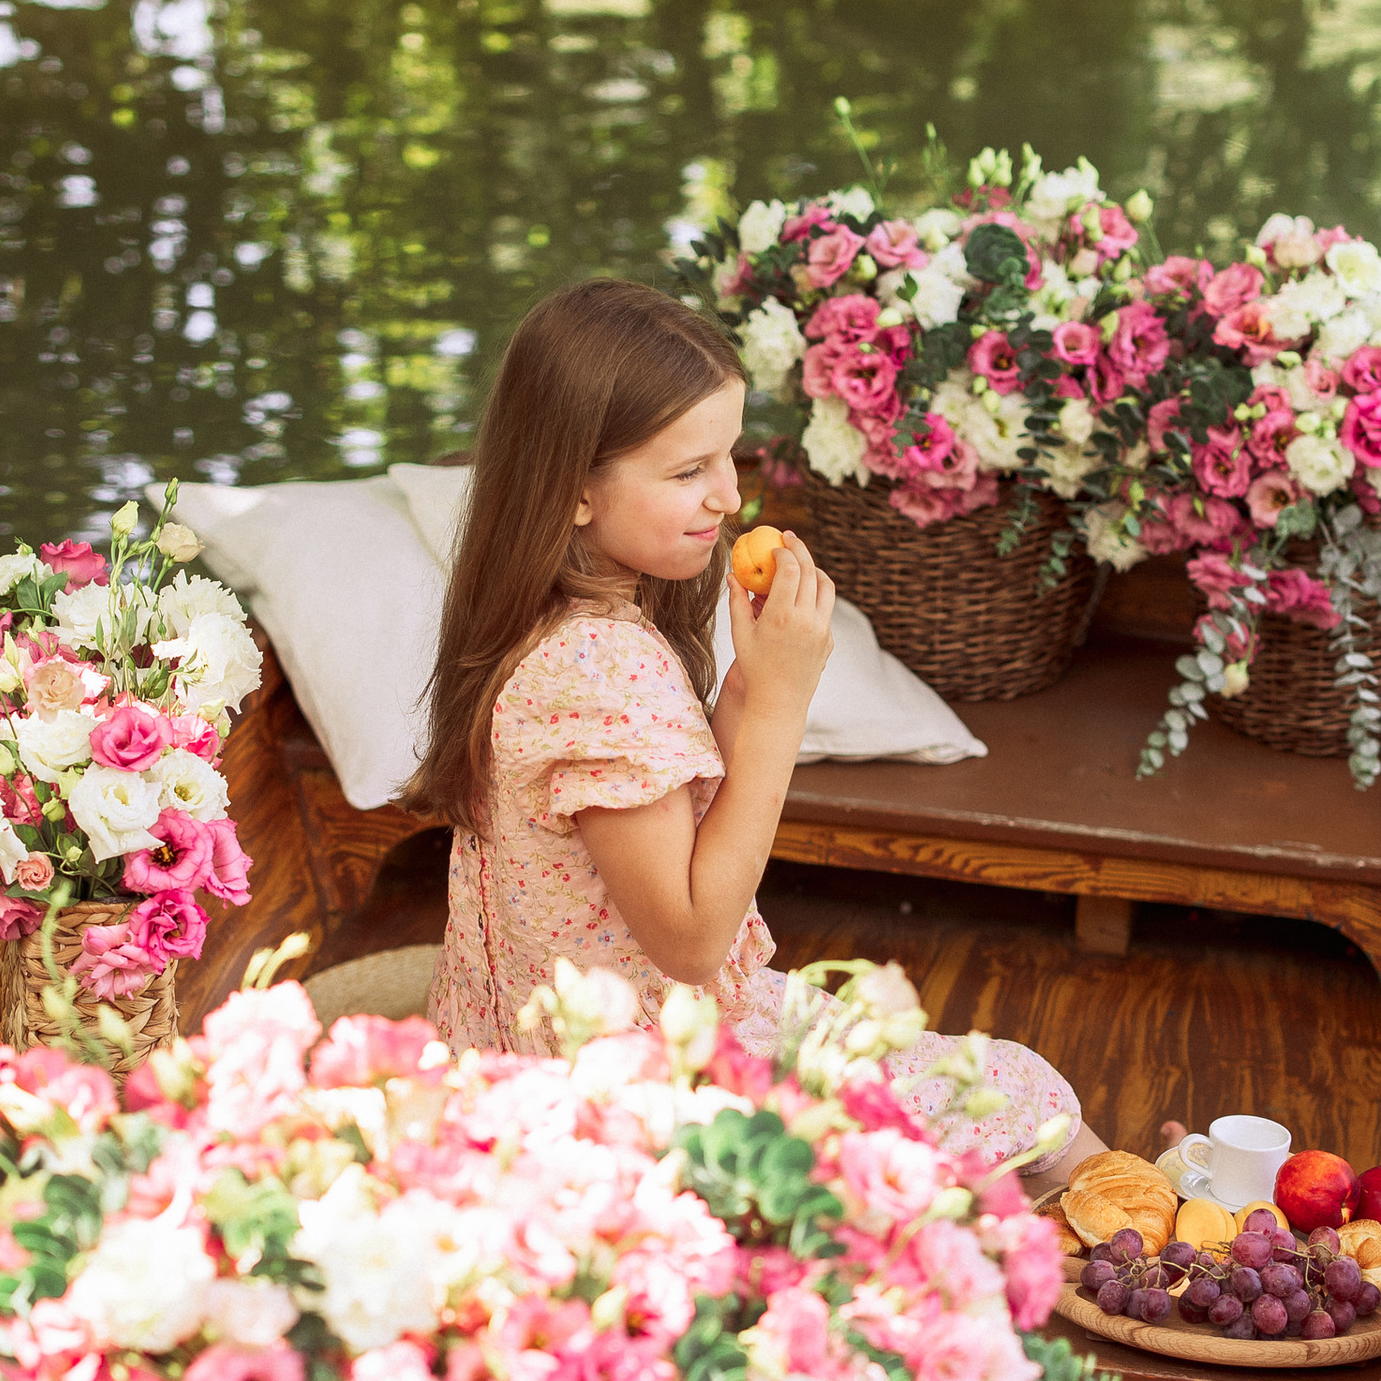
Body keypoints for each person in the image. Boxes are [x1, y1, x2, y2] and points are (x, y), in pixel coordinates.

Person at [415, 276, 1104, 1185]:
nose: (728, 497)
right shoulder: (599, 668)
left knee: (935, 1069)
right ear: (576, 490)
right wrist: (780, 709)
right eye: (687, 470)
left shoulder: (560, 624)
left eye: (730, 457)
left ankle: (1136, 1207)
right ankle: (1148, 1240)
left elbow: (668, 801)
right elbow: (694, 940)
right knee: (1024, 1099)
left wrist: (752, 683)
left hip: (564, 1040)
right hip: (627, 1095)